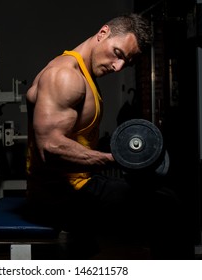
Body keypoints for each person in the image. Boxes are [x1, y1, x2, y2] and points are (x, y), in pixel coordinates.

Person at [25, 14, 190, 259]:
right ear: (103, 33)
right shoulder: (65, 77)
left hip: (71, 189)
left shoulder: (84, 73)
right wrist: (114, 159)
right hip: (58, 197)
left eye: (127, 63)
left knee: (156, 191)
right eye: (118, 54)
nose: (118, 67)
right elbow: (49, 147)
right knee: (167, 205)